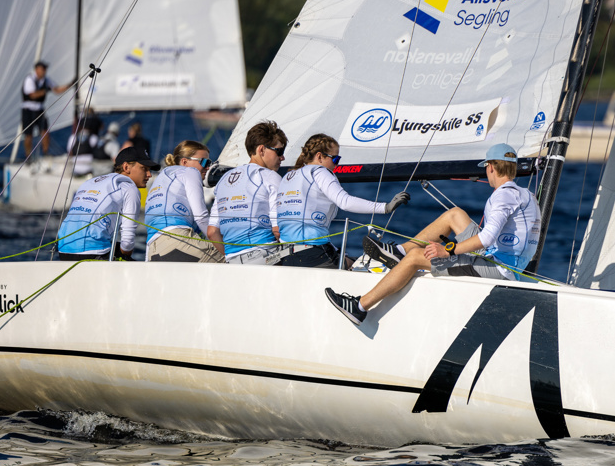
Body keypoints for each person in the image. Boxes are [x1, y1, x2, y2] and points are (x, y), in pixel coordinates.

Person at [325, 143, 540, 325]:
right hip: (502, 260)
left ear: (491, 167)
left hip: (499, 269)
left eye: (486, 167)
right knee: (455, 215)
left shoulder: (503, 196)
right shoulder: (526, 195)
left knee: (415, 258)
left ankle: (360, 307)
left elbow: (487, 238)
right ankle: (399, 252)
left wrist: (448, 250)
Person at [275, 134, 409, 269]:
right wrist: (385, 207)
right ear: (319, 156)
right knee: (365, 265)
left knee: (349, 259)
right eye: (335, 159)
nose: (336, 164)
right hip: (314, 255)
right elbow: (345, 202)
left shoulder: (288, 176)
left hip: (286, 257)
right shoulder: (320, 171)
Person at [56, 146, 159, 261]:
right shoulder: (129, 188)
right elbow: (127, 243)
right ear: (126, 167)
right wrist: (125, 255)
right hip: (91, 252)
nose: (149, 174)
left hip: (63, 250)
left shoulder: (90, 182)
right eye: (144, 169)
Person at [209, 120, 287, 264]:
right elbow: (278, 230)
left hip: (232, 261)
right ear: (261, 150)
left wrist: (232, 256)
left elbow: (212, 232)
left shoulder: (224, 179)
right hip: (265, 255)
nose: (282, 157)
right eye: (279, 151)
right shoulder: (270, 177)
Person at [144, 140, 224, 263]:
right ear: (185, 162)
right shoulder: (190, 171)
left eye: (210, 163)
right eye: (204, 162)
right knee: (233, 259)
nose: (208, 167)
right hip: (177, 240)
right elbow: (201, 217)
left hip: (152, 250)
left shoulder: (162, 176)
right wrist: (224, 248)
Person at [21, 60, 69, 158]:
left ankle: (46, 153)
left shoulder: (46, 80)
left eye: (45, 69)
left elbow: (57, 90)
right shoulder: (29, 79)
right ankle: (28, 156)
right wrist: (45, 91)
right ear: (37, 70)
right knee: (28, 135)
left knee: (45, 131)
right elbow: (32, 95)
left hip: (39, 109)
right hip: (28, 110)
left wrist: (70, 84)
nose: (44, 71)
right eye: (42, 69)